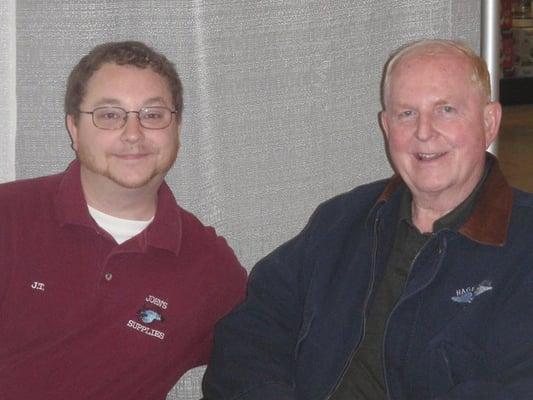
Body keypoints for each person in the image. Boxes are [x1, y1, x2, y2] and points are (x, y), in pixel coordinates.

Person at [202, 39, 533, 399]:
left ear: (489, 121)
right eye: (406, 113)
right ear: (386, 126)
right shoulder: (344, 220)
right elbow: (253, 328)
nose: (424, 132)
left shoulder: (523, 247)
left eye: (446, 110)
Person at [0, 41, 247, 400]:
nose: (133, 134)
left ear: (177, 127)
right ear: (74, 129)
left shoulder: (208, 267)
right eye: (110, 115)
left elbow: (267, 355)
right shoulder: (9, 217)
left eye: (153, 114)